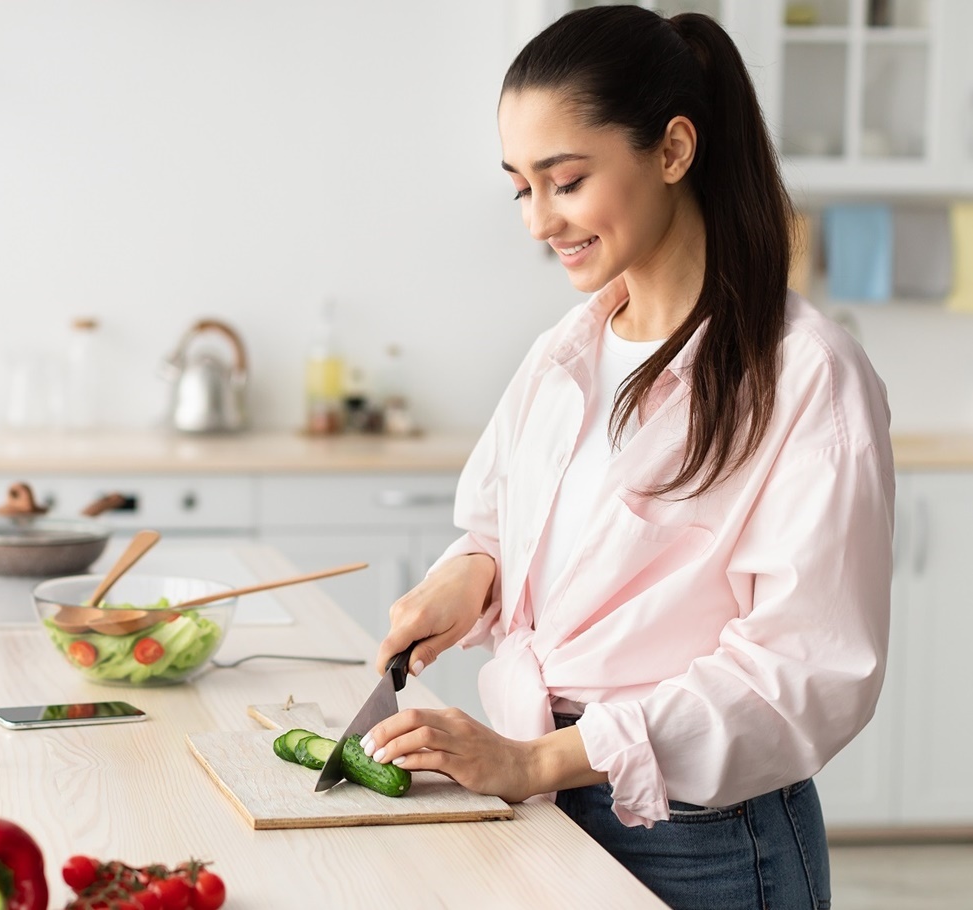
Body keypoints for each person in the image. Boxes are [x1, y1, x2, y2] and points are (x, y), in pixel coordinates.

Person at [364, 7, 893, 908]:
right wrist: (476, 571)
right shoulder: (564, 354)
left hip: (707, 841)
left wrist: (536, 759)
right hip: (545, 801)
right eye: (519, 188)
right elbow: (511, 525)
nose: (538, 220)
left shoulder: (805, 375)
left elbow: (801, 674)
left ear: (673, 150)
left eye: (564, 181)